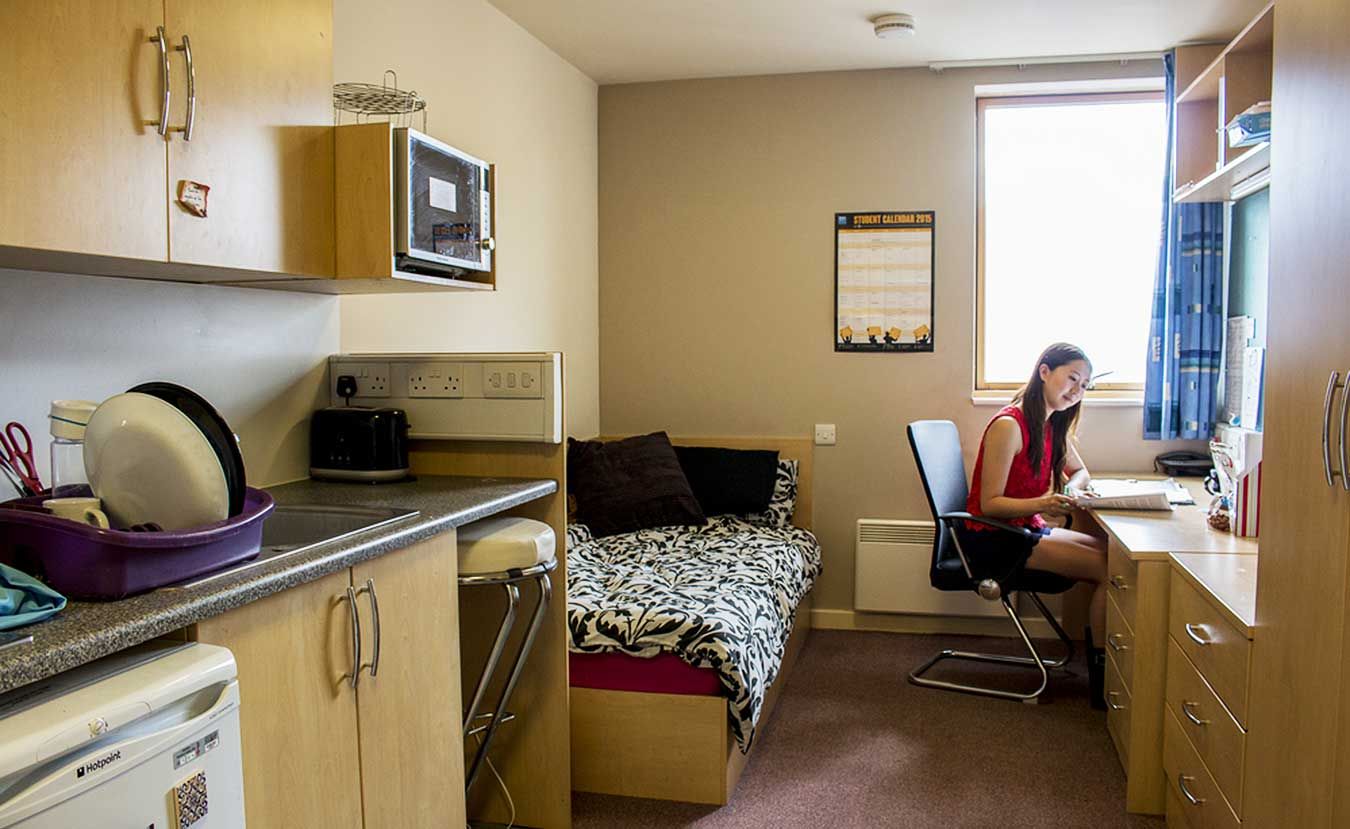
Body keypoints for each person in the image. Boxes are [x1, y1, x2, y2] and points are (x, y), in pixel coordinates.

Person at [959, 342, 1109, 708]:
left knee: (1112, 556)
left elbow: (1080, 470)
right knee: (1110, 570)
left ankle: (1105, 666)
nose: (1077, 390)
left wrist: (1071, 489)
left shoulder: (1052, 423)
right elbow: (988, 505)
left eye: (1084, 385)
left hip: (1024, 528)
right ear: (1044, 372)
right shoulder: (1010, 425)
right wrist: (1044, 502)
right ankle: (1104, 681)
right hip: (994, 539)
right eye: (1072, 378)